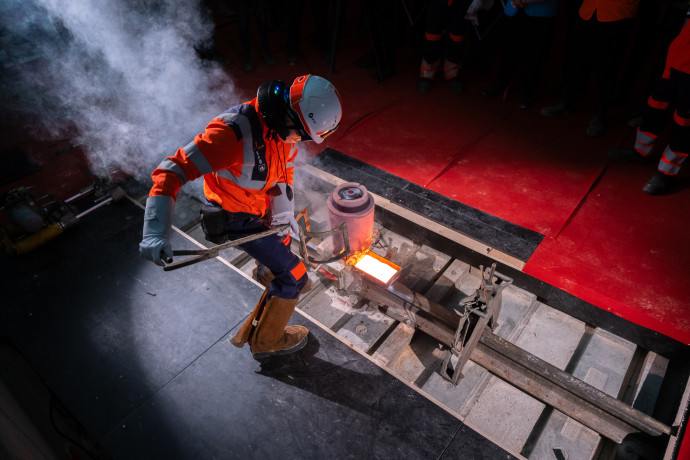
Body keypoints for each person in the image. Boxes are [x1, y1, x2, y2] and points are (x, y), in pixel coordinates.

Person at [139, 75, 343, 359]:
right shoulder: (230, 135)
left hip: (261, 210)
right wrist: (155, 231)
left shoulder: (283, 128)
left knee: (283, 251)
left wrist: (283, 209)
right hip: (234, 218)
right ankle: (268, 341)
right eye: (300, 134)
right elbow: (170, 172)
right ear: (287, 115)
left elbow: (284, 169)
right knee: (295, 274)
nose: (299, 140)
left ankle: (269, 272)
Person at [609, 8, 690, 195]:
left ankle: (665, 173)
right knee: (656, 105)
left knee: (683, 121)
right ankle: (641, 152)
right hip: (677, 56)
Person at [539, 0, 639, 136]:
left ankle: (598, 115)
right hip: (588, 10)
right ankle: (567, 102)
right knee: (576, 59)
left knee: (607, 68)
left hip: (617, 14)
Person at [480, 0, 559, 110]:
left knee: (534, 55)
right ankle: (502, 82)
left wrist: (522, 0)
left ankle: (527, 91)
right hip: (515, 9)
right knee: (508, 49)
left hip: (540, 13)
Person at [417, 0, 472, 94]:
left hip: (461, 3)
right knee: (432, 36)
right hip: (438, 2)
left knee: (457, 37)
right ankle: (427, 74)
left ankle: (452, 74)